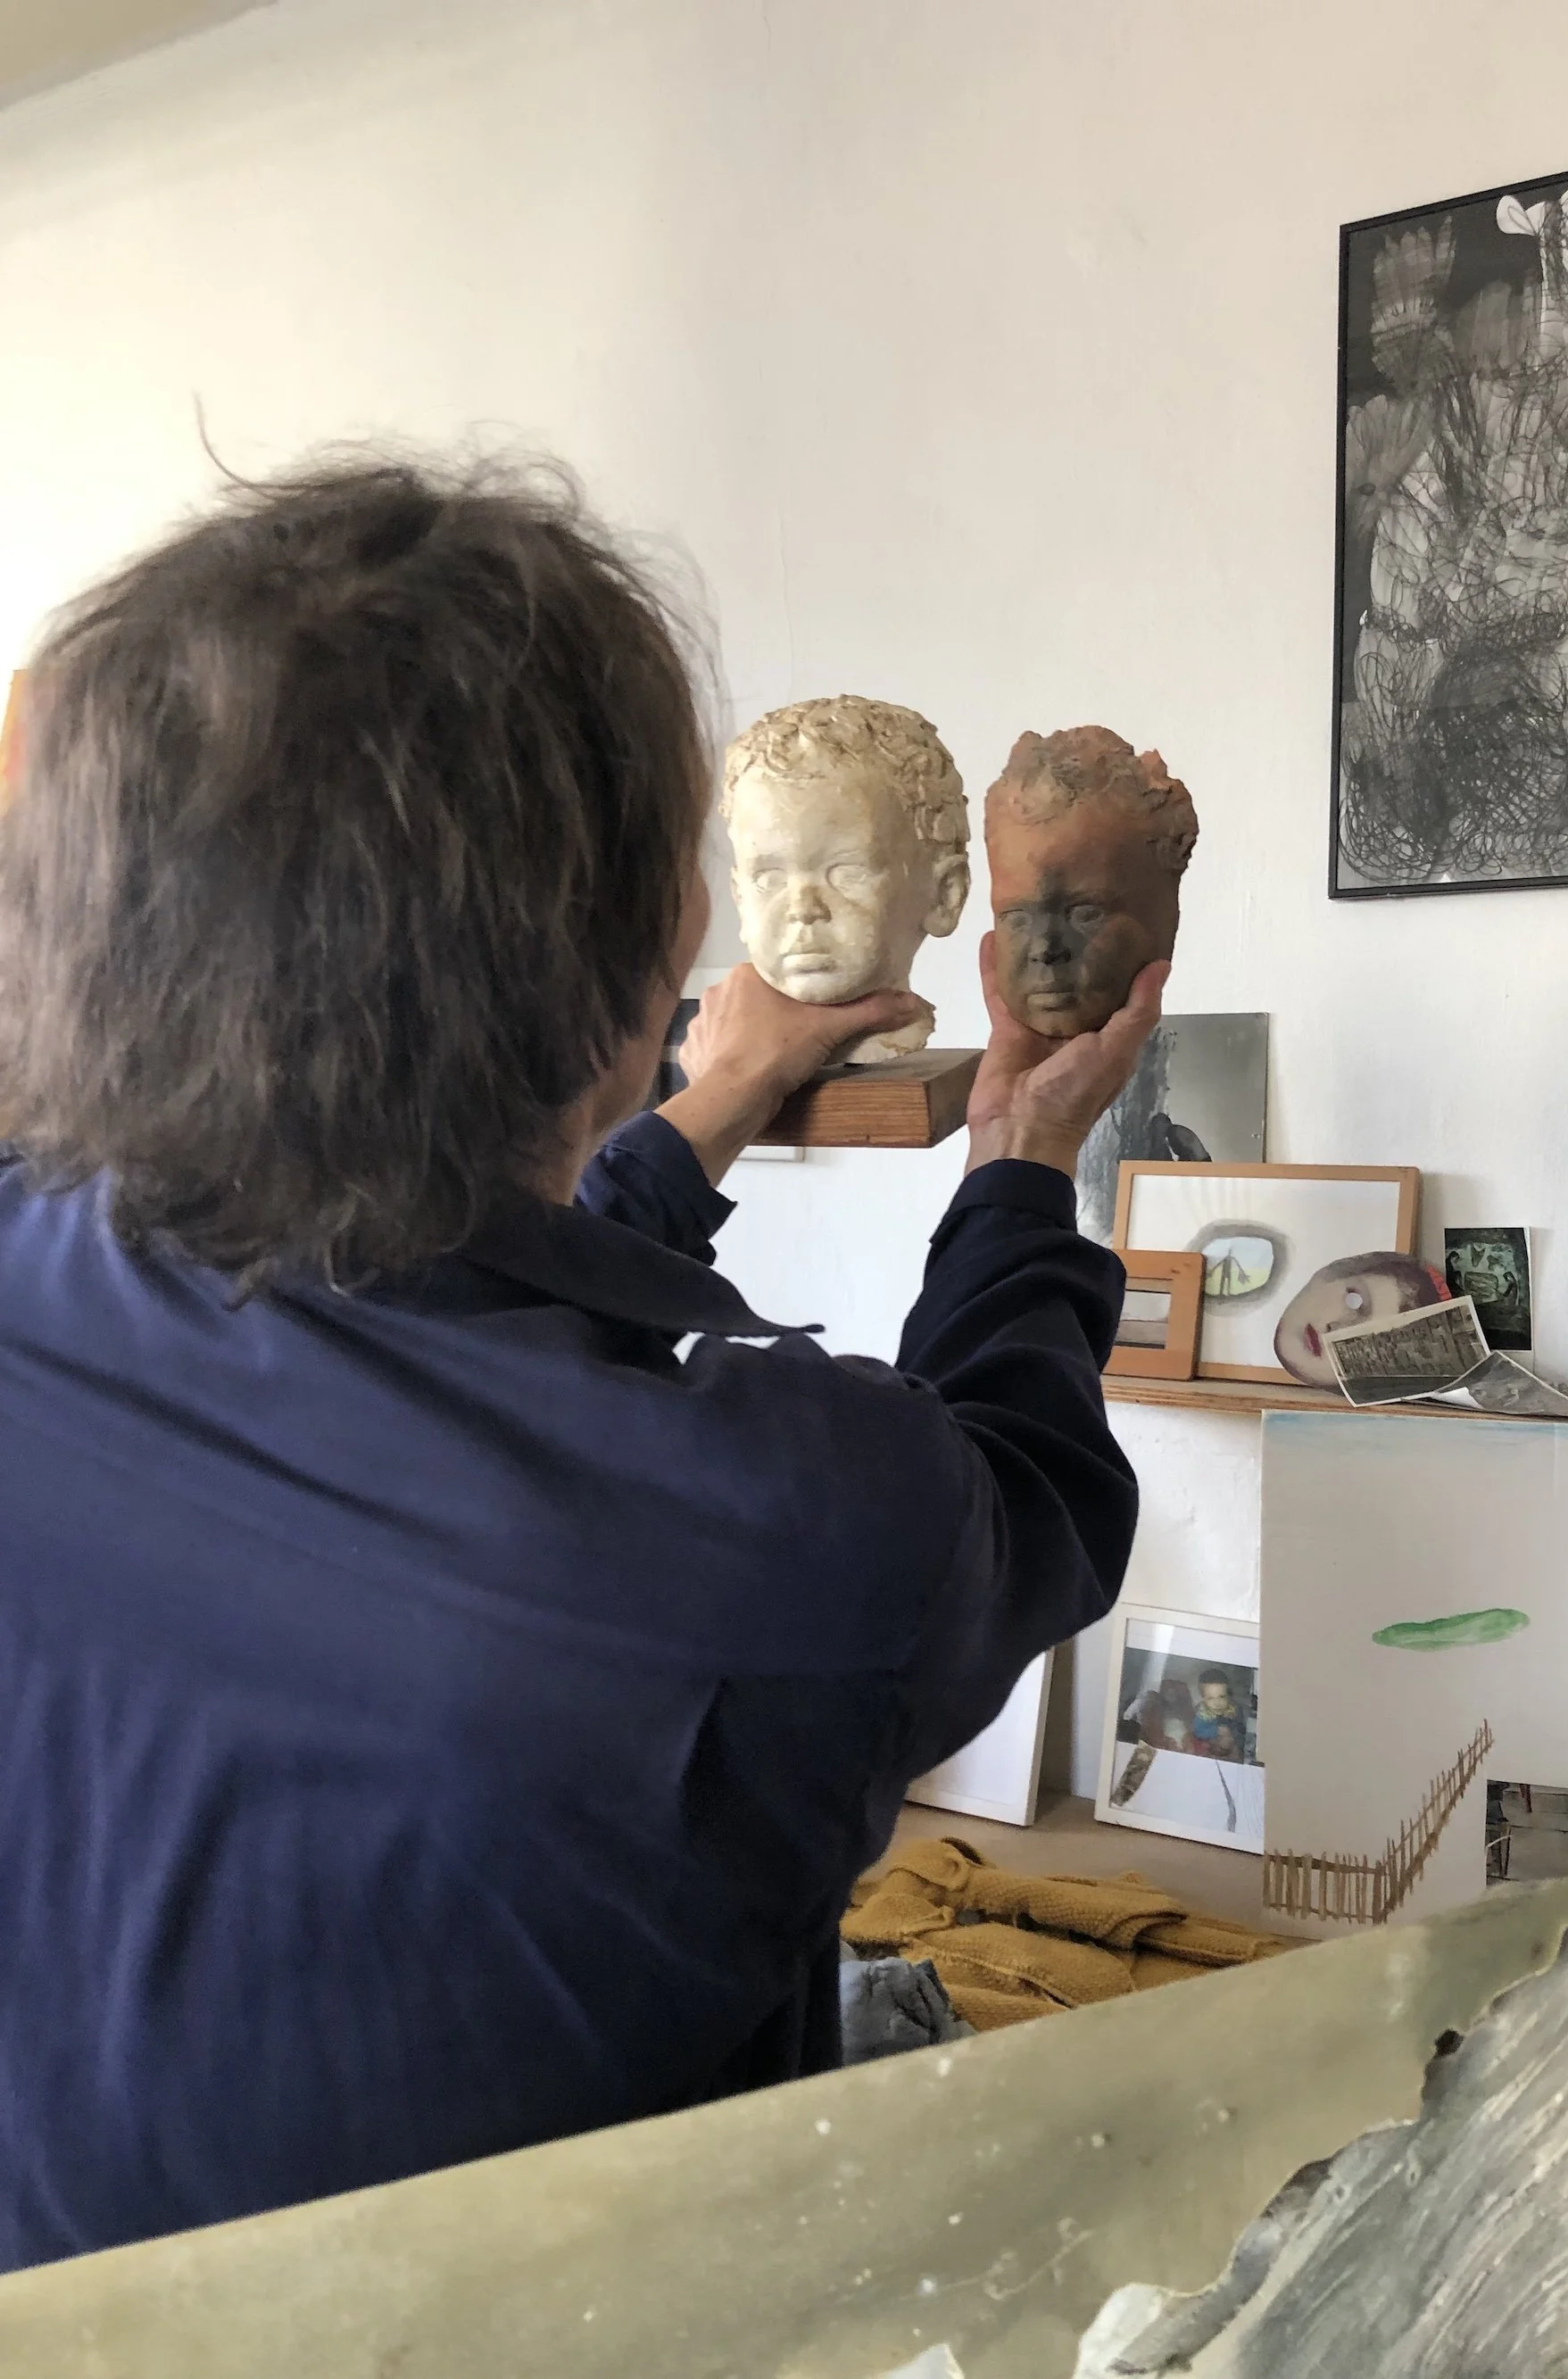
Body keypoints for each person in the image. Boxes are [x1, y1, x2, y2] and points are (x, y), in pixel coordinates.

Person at [0, 457, 1164, 2272]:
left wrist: (695, 1115)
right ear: (650, 963)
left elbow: (435, 1284)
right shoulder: (787, 1522)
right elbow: (1025, 1491)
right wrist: (1021, 1159)